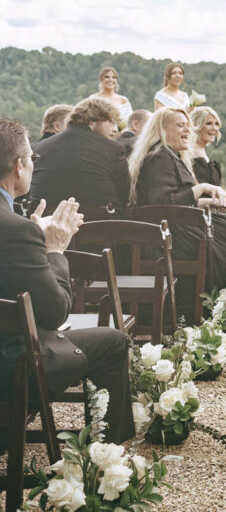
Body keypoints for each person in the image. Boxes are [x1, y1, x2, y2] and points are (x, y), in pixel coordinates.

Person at [0, 119, 134, 446]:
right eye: (32, 158)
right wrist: (54, 250)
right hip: (9, 365)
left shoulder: (17, 228)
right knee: (114, 342)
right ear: (19, 167)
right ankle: (108, 458)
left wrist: (31, 239)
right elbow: (54, 311)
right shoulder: (16, 231)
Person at [129, 108, 226, 294]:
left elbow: (178, 203)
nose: (187, 131)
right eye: (181, 125)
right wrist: (202, 188)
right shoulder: (159, 158)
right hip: (172, 235)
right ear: (162, 130)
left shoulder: (172, 156)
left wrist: (212, 203)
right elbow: (163, 204)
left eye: (188, 126)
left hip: (181, 225)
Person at [31, 98, 130, 215]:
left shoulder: (38, 148)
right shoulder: (113, 149)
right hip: (100, 225)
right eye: (111, 122)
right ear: (92, 121)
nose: (114, 129)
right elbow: (124, 193)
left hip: (47, 222)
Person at [190, 106, 223, 187]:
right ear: (197, 125)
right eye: (209, 124)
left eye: (216, 124)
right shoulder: (189, 151)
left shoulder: (202, 150)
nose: (214, 128)